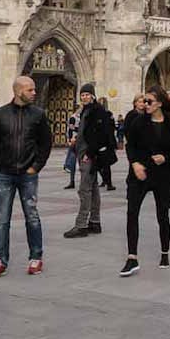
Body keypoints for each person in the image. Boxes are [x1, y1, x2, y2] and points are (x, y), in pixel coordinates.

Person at [0, 76, 52, 279]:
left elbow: (46, 144)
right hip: (5, 174)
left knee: (32, 216)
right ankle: (0, 259)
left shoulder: (38, 115)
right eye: (30, 90)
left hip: (28, 174)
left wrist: (36, 167)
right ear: (18, 91)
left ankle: (36, 256)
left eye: (34, 89)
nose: (34, 93)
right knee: (2, 219)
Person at [119, 86, 170, 276]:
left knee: (162, 214)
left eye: (149, 101)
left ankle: (165, 252)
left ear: (160, 104)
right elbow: (130, 145)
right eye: (144, 101)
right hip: (140, 172)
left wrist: (166, 158)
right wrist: (135, 164)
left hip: (162, 174)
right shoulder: (138, 122)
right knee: (132, 212)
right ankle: (132, 258)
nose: (145, 104)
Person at [64, 83, 116, 238]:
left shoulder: (97, 111)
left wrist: (90, 152)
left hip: (89, 155)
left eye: (87, 94)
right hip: (84, 153)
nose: (84, 97)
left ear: (92, 95)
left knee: (84, 189)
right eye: (82, 95)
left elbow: (99, 135)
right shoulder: (87, 110)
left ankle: (81, 225)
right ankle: (95, 222)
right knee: (93, 188)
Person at [63, 107, 80, 190]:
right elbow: (71, 129)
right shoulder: (73, 118)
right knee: (72, 159)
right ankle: (71, 180)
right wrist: (69, 140)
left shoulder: (79, 117)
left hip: (79, 140)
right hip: (74, 141)